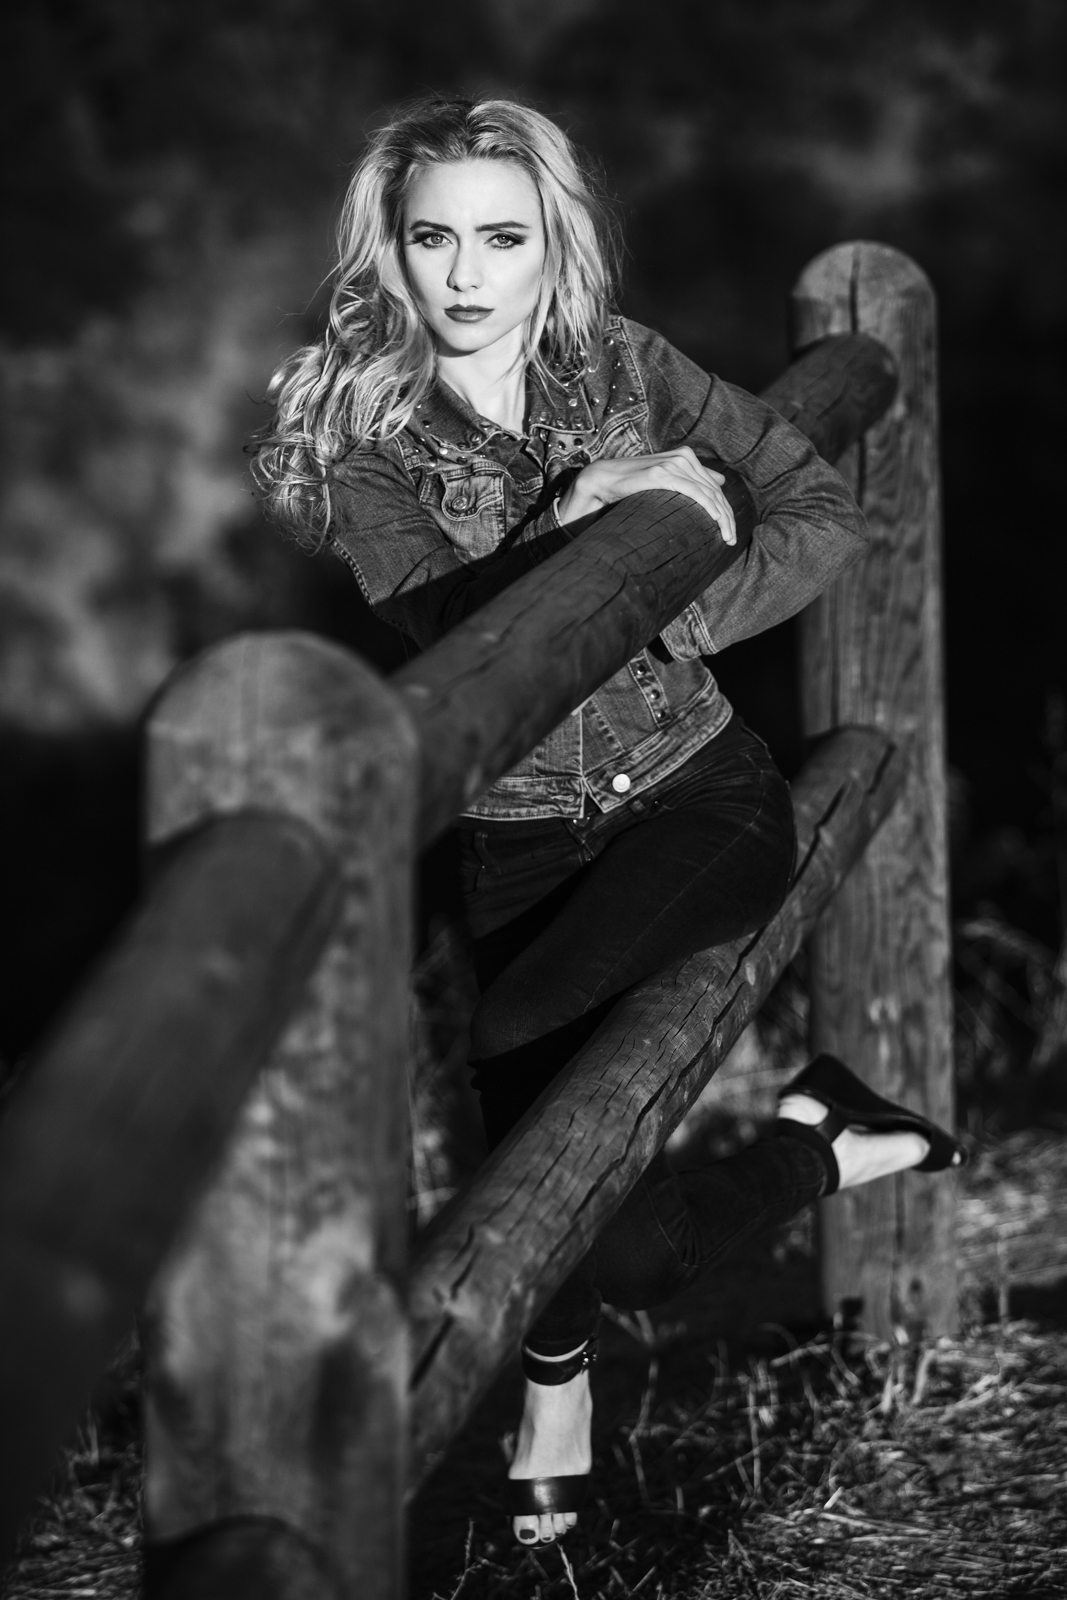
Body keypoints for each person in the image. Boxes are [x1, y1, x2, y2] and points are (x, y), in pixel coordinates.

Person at [252, 95, 965, 1549]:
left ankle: (553, 1383)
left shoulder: (626, 365)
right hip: (516, 844)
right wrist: (593, 505)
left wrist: (679, 609)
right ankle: (826, 1144)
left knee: (518, 1066)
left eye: (501, 238)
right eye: (433, 238)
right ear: (389, 248)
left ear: (552, 244)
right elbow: (457, 621)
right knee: (621, 1243)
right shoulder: (368, 443)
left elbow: (813, 506)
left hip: (698, 800)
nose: (466, 274)